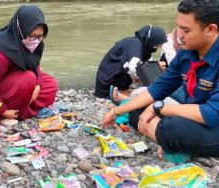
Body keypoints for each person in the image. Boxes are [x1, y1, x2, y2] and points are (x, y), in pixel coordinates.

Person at [101, 0, 219, 163]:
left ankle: (171, 138)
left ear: (210, 30)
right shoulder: (187, 53)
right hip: (192, 114)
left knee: (171, 127)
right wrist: (116, 112)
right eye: (178, 27)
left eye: (186, 30)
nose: (178, 35)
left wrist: (160, 108)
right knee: (138, 104)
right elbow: (157, 88)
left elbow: (211, 114)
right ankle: (176, 142)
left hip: (214, 123)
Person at [0, 5, 58, 122]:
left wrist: (37, 86)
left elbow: (35, 63)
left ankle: (21, 107)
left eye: (40, 36)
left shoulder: (33, 42)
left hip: (9, 77)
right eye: (32, 35)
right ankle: (13, 112)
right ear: (20, 30)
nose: (35, 41)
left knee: (50, 84)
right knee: (28, 78)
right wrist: (3, 111)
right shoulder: (1, 51)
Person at [94, 25, 167, 98]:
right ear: (152, 40)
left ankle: (123, 91)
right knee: (142, 99)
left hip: (112, 82)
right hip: (107, 87)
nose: (157, 48)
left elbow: (147, 65)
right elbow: (134, 68)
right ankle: (117, 94)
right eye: (157, 45)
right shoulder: (134, 44)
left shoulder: (142, 48)